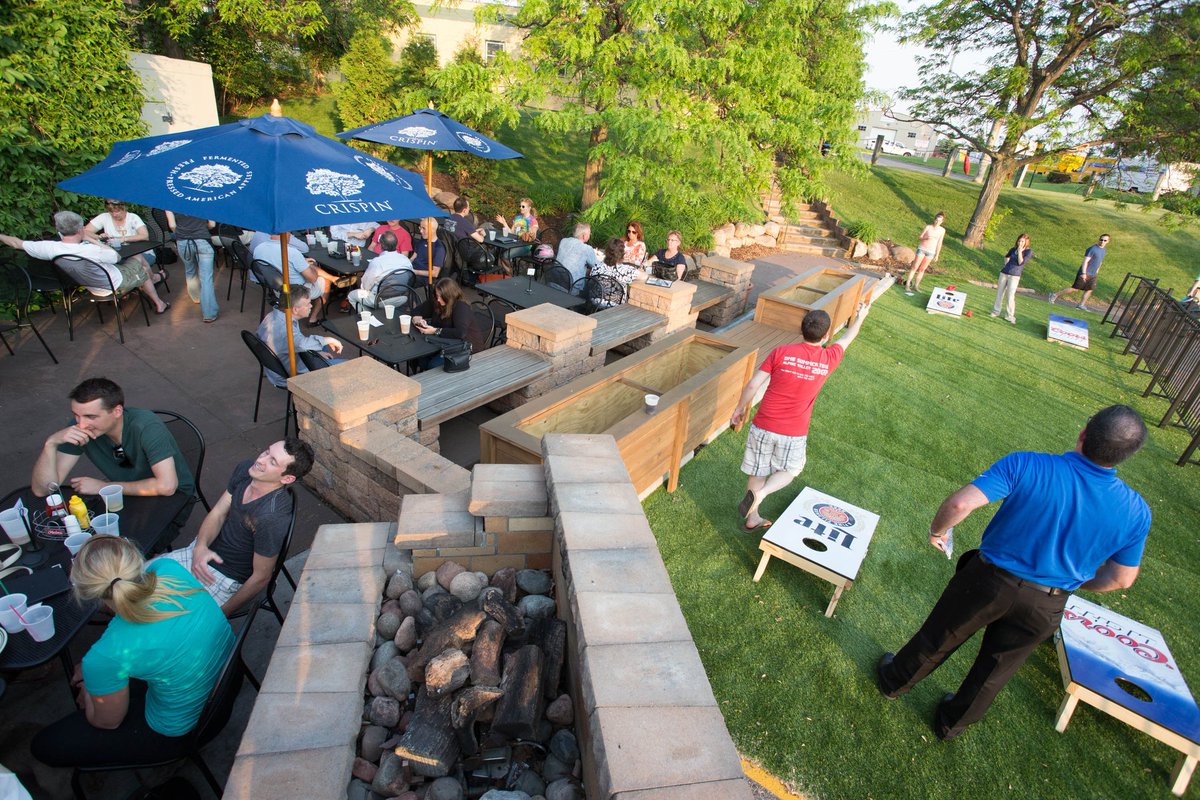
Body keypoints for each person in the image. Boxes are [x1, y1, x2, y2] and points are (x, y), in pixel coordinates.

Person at [877, 405, 1151, 741]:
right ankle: (951, 724)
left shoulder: (1028, 463)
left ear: (1084, 432)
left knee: (940, 635)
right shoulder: (1136, 511)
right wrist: (1072, 582)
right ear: (1126, 456)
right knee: (996, 669)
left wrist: (938, 531)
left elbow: (960, 505)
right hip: (1047, 604)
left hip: (988, 581)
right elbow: (1121, 579)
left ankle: (895, 682)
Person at [29, 535, 234, 770]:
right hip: (226, 683)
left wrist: (90, 690)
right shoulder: (167, 568)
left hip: (185, 729)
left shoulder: (104, 656)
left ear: (89, 593)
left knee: (44, 745)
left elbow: (108, 722)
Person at [731, 303, 872, 531]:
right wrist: (861, 316)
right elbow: (848, 337)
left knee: (758, 470)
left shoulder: (781, 352)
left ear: (801, 330)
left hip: (763, 423)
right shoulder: (829, 357)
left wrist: (739, 408)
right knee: (792, 469)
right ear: (826, 335)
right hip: (793, 431)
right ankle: (763, 494)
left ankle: (753, 515)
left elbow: (753, 384)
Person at [162, 438, 313, 614]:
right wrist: (200, 547)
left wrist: (220, 615)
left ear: (287, 478)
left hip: (225, 578)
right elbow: (218, 512)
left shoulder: (271, 517)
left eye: (272, 462)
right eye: (266, 452)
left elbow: (261, 576)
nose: (260, 460)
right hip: (201, 552)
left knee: (162, 620)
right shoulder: (246, 470)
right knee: (134, 583)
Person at [31, 378, 195, 522]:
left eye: (91, 417)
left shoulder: (147, 427)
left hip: (174, 498)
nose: (81, 425)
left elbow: (167, 486)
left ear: (117, 411)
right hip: (125, 496)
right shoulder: (77, 431)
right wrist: (51, 444)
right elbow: (43, 490)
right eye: (76, 415)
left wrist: (103, 487)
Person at [0, 211, 170, 314]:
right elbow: (117, 258)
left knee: (132, 263)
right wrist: (94, 240)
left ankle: (153, 278)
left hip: (89, 286)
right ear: (81, 229)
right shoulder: (90, 250)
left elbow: (16, 242)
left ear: (58, 230)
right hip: (114, 283)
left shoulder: (49, 248)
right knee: (138, 259)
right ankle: (159, 302)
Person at [256, 292, 346, 387]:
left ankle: (326, 372)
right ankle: (327, 384)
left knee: (322, 347)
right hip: (289, 373)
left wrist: (316, 353)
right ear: (295, 310)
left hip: (277, 366)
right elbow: (300, 344)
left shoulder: (273, 315)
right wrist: (328, 339)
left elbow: (297, 344)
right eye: (308, 304)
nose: (311, 306)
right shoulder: (286, 330)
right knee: (348, 366)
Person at [253, 233, 337, 323]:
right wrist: (309, 266)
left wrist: (303, 263)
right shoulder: (291, 252)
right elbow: (313, 279)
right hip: (296, 291)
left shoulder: (259, 248)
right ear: (288, 235)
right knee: (325, 280)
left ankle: (334, 278)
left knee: (306, 267)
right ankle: (313, 318)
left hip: (276, 288)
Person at [166, 211, 219, 323]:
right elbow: (212, 224)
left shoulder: (171, 200)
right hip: (202, 239)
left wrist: (182, 232)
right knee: (206, 278)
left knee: (190, 270)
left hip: (183, 241)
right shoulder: (204, 199)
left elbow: (172, 225)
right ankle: (209, 314)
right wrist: (202, 228)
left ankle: (196, 298)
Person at [83, 199, 160, 275]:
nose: (114, 214)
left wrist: (123, 239)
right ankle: (147, 280)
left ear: (124, 208)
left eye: (117, 211)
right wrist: (98, 236)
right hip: (117, 255)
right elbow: (85, 231)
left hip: (141, 253)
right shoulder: (104, 217)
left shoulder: (133, 217)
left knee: (132, 268)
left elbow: (144, 235)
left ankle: (145, 280)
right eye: (111, 212)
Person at [347, 231, 413, 310]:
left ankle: (369, 318)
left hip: (379, 299)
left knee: (352, 295)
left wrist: (361, 285)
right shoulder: (405, 260)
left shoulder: (377, 262)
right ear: (396, 244)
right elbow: (410, 277)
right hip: (402, 298)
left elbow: (366, 286)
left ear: (381, 245)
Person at [413, 277, 482, 353]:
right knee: (420, 356)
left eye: (440, 296)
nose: (438, 299)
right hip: (443, 343)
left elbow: (461, 333)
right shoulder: (437, 301)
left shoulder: (460, 306)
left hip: (464, 348)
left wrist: (435, 331)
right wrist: (419, 321)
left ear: (449, 296)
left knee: (431, 363)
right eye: (437, 295)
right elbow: (417, 311)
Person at [1050, 234, 1110, 309]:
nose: (1102, 241)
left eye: (1105, 240)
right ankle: (1055, 295)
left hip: (1093, 274)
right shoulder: (1092, 249)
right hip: (1085, 273)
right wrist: (1084, 273)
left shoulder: (1104, 250)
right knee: (1075, 289)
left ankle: (1081, 305)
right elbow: (1085, 261)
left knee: (1089, 290)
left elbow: (1100, 261)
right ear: (1099, 239)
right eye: (1101, 239)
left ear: (1108, 241)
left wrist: (1097, 271)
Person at [990, 233, 1032, 324]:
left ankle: (1010, 315)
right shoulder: (1013, 249)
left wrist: (1020, 251)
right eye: (1019, 241)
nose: (1020, 243)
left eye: (1022, 241)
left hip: (1015, 276)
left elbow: (1021, 262)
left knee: (1010, 295)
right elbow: (1006, 256)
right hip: (1004, 273)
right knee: (1000, 293)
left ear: (1026, 242)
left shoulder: (1028, 252)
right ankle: (995, 311)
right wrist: (1006, 264)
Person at [592, 237, 647, 304]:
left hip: (595, 302)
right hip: (615, 306)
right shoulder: (626, 270)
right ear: (622, 254)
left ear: (606, 252)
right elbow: (644, 277)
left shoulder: (596, 266)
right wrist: (641, 270)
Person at [903, 211, 946, 295]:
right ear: (934, 220)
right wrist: (925, 237)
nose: (937, 222)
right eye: (936, 220)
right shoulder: (928, 227)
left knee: (922, 269)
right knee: (915, 267)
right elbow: (920, 237)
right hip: (922, 249)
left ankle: (916, 286)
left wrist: (937, 254)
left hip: (931, 252)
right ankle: (907, 285)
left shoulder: (942, 230)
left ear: (942, 222)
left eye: (940, 221)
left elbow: (939, 243)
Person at [556, 222, 598, 290]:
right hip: (572, 286)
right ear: (584, 236)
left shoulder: (563, 241)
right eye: (589, 233)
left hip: (555, 279)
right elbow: (596, 265)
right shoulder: (586, 248)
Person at [412, 217, 446, 285]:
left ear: (432, 230)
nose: (421, 231)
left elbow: (435, 273)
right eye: (420, 228)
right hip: (412, 271)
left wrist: (414, 272)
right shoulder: (422, 241)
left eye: (424, 228)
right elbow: (413, 257)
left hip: (423, 278)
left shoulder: (439, 248)